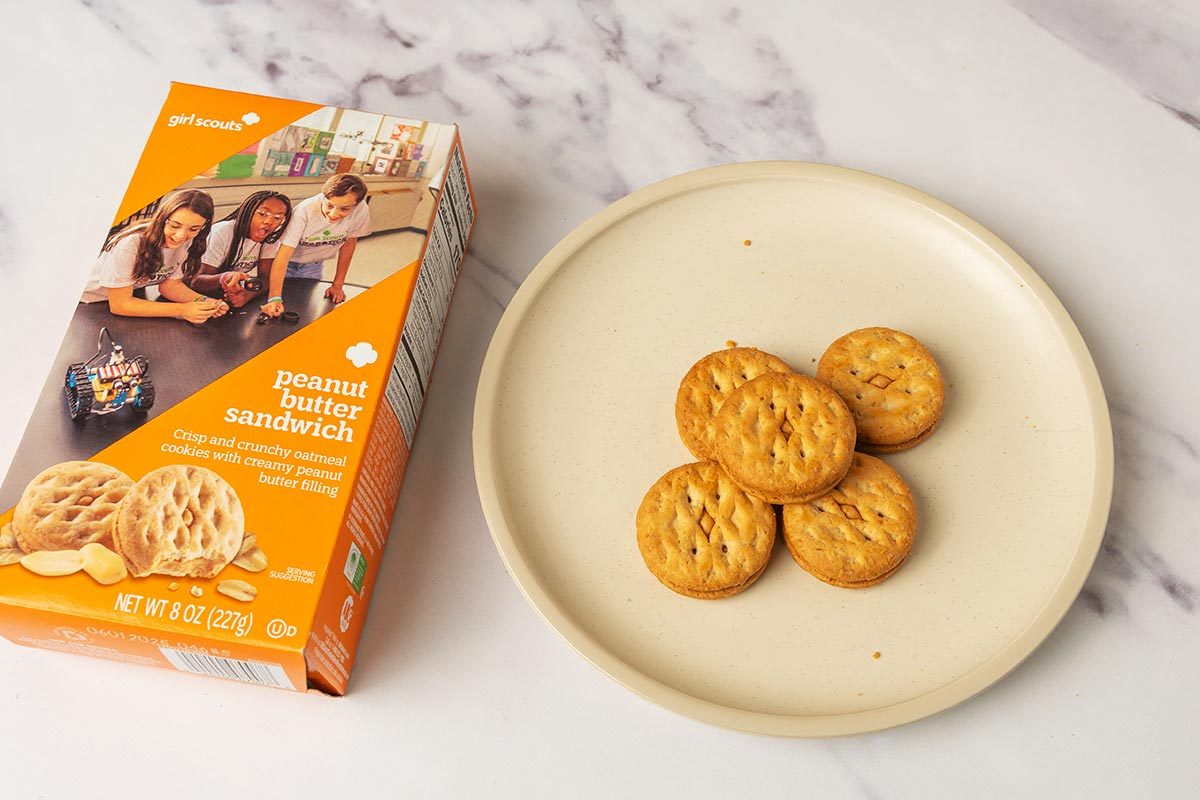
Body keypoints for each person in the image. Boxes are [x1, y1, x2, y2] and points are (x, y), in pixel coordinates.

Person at [80, 189, 227, 324]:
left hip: (129, 299)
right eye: (175, 226)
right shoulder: (131, 243)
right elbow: (120, 305)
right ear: (163, 218)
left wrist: (206, 302)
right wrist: (182, 310)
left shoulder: (188, 242)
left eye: (193, 229)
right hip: (88, 305)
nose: (181, 235)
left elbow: (170, 286)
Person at [259, 173, 371, 317]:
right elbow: (283, 256)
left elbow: (348, 246)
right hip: (284, 264)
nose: (333, 214)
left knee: (303, 309)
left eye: (344, 209)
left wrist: (337, 285)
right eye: (330, 205)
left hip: (313, 264)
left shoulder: (361, 210)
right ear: (323, 196)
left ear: (356, 205)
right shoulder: (304, 210)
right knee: (272, 307)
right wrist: (274, 298)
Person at [188, 190, 293, 308]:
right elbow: (196, 282)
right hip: (190, 296)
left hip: (222, 298)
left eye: (277, 218)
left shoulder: (269, 239)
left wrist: (247, 295)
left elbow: (266, 278)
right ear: (248, 212)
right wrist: (225, 277)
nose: (269, 222)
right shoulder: (222, 232)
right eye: (262, 214)